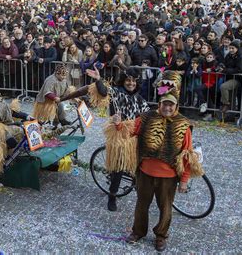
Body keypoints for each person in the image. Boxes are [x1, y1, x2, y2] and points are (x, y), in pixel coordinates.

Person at [125, 71, 204, 252]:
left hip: (168, 177)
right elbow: (128, 130)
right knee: (141, 204)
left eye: (171, 105)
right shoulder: (146, 117)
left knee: (166, 208)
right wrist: (117, 124)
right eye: (164, 104)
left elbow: (187, 155)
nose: (167, 108)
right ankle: (138, 231)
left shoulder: (183, 125)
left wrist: (184, 180)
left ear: (175, 105)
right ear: (159, 104)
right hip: (145, 172)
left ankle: (161, 236)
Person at [83, 67, 151, 211]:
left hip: (133, 136)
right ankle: (112, 196)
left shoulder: (139, 99)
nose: (130, 83)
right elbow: (103, 92)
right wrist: (98, 79)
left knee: (139, 166)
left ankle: (140, 192)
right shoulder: (116, 93)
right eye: (128, 80)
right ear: (123, 81)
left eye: (133, 81)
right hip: (118, 135)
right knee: (118, 167)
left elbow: (147, 115)